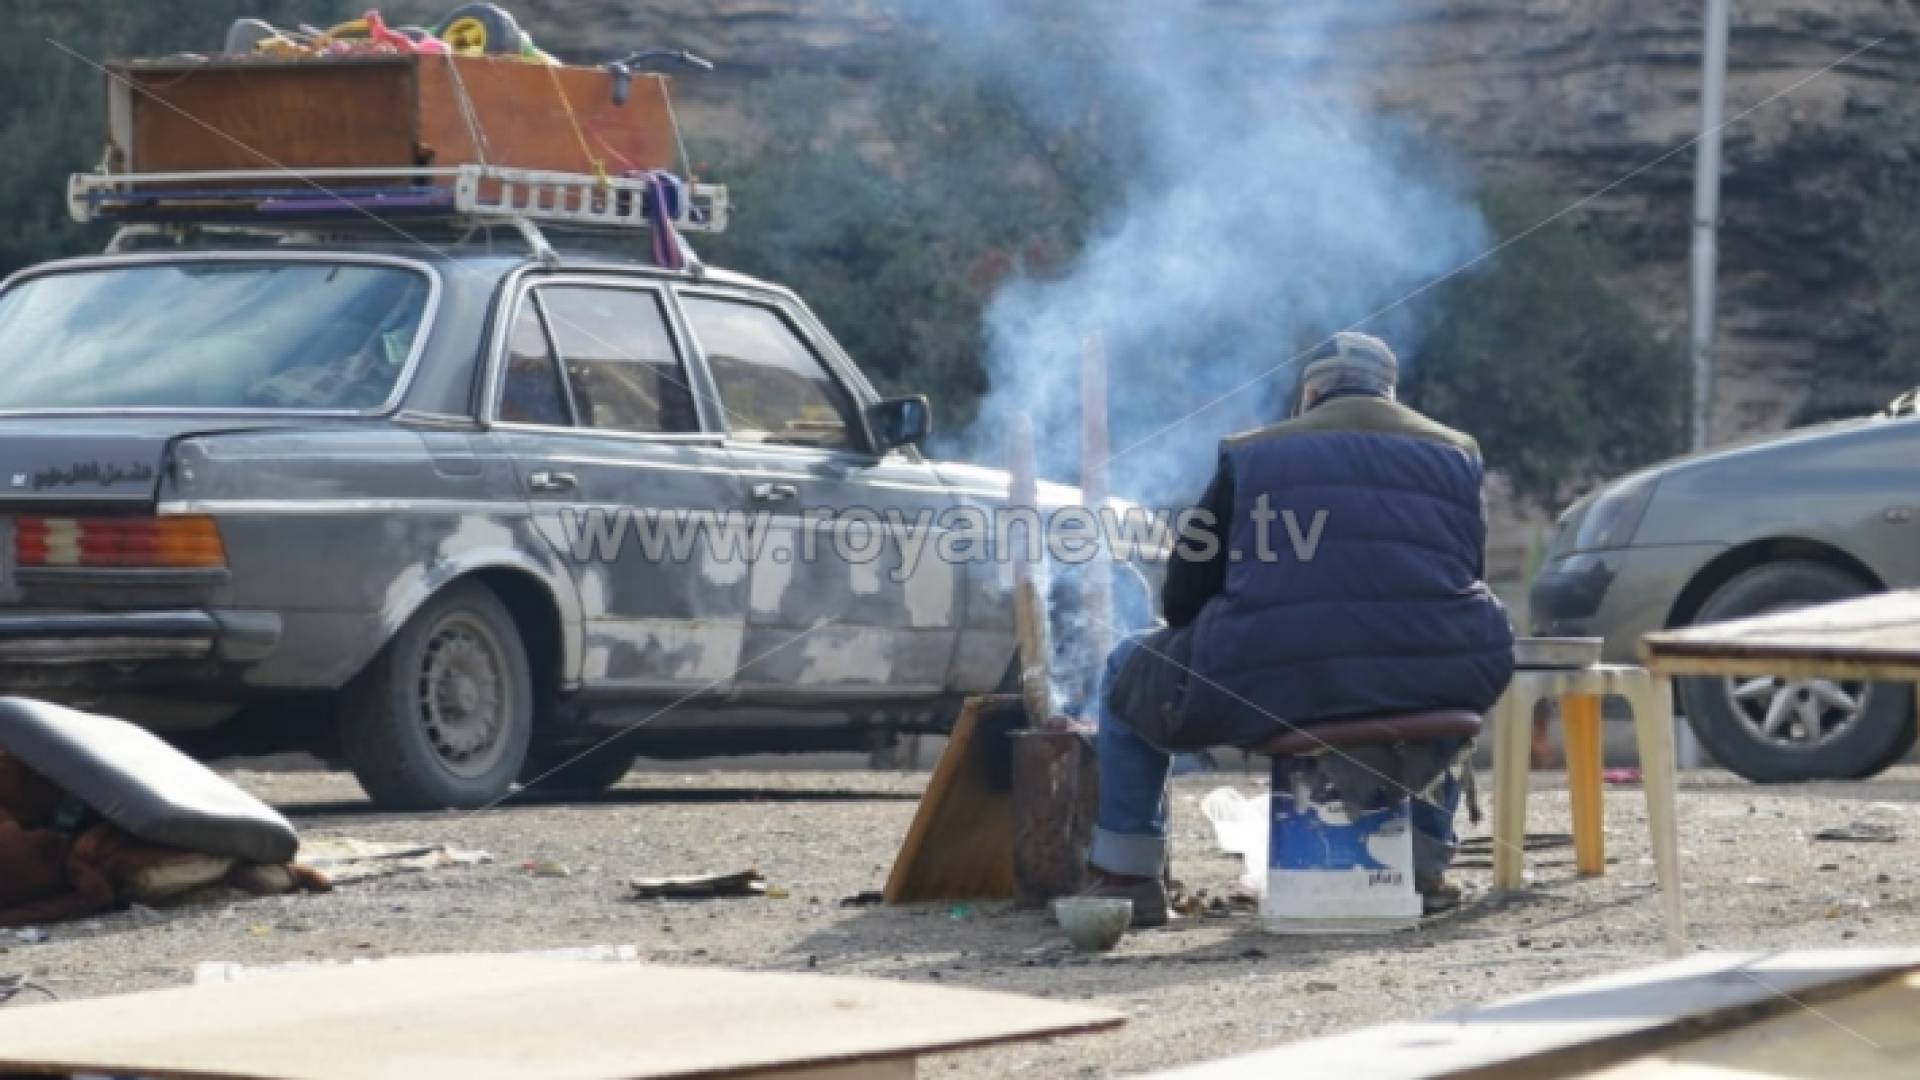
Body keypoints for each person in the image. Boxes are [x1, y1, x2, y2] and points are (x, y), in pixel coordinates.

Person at [1088, 331, 1515, 926]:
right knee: (1429, 659)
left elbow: (1184, 595)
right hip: (1432, 678)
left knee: (1124, 668)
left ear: (1310, 393)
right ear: (1389, 393)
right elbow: (1465, 574)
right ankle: (1422, 868)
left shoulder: (1252, 452)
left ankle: (1128, 876)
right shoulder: (1458, 452)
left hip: (1275, 686)